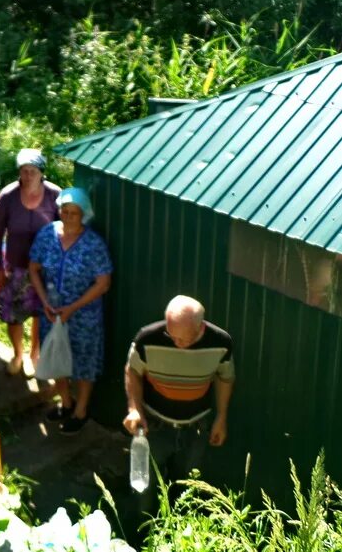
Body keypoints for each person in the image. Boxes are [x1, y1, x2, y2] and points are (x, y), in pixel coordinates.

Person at [123, 296, 234, 490]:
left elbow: (225, 378)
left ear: (200, 328)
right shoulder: (147, 338)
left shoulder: (221, 342)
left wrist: (222, 417)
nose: (175, 342)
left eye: (182, 339)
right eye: (171, 334)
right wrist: (134, 408)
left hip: (196, 428)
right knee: (144, 488)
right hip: (154, 425)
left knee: (187, 490)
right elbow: (132, 371)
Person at [28, 187, 113, 434]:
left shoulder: (94, 244)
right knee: (56, 358)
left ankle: (81, 410)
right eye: (64, 211)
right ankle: (66, 402)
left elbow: (103, 283)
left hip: (83, 316)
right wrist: (44, 301)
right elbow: (33, 268)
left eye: (74, 213)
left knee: (84, 362)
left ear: (84, 214)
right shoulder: (47, 234)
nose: (67, 216)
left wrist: (72, 308)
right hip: (51, 313)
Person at [0, 148, 61, 376]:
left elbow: (65, 229)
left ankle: (35, 354)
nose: (28, 176)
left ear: (41, 172)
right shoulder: (8, 195)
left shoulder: (54, 195)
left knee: (41, 313)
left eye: (32, 171)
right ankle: (18, 354)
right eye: (24, 171)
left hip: (44, 269)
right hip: (16, 267)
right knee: (14, 315)